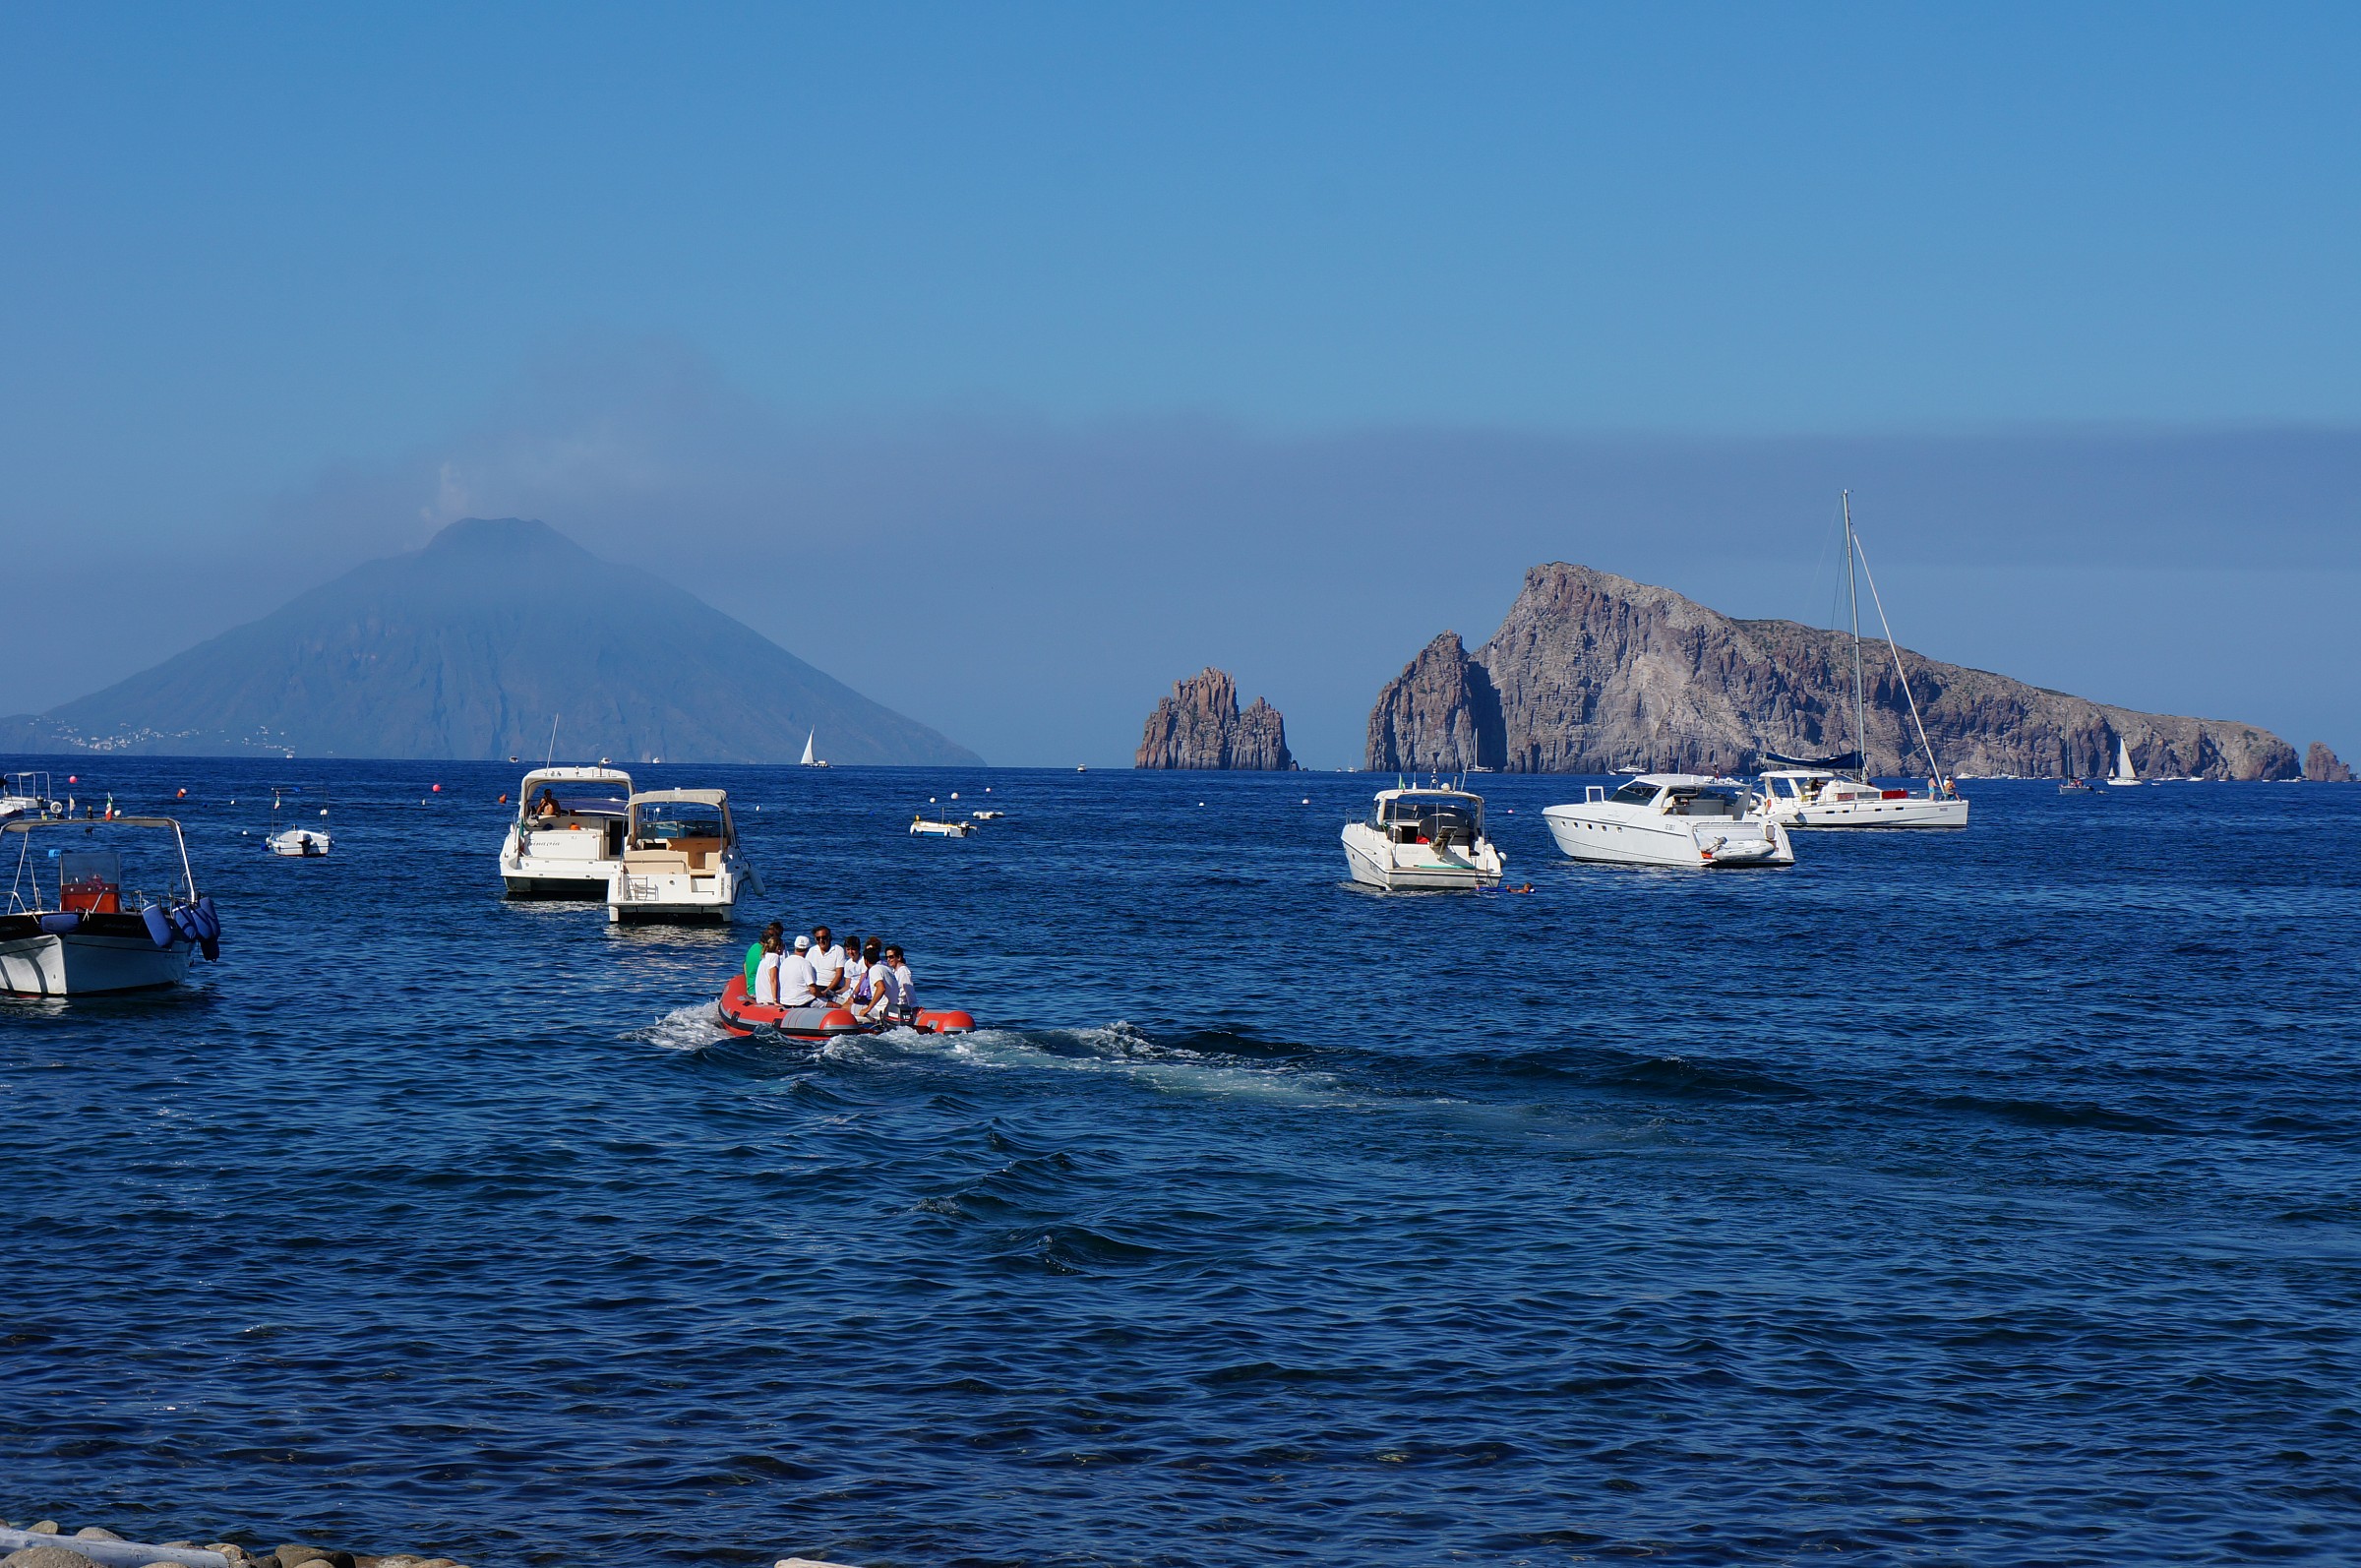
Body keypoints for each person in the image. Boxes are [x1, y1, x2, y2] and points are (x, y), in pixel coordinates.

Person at [778, 934, 820, 1008]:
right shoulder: (805, 963)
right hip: (803, 1002)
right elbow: (813, 989)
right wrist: (822, 995)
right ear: (808, 949)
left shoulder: (785, 962)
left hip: (785, 1001)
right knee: (834, 1005)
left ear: (795, 947)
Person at [746, 922, 783, 994]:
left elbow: (745, 965)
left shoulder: (753, 947)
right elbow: (774, 979)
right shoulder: (768, 956)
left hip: (751, 989)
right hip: (760, 992)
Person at [810, 926, 847, 998]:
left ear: (829, 938)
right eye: (818, 938)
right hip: (815, 986)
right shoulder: (812, 951)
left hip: (832, 988)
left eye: (824, 937)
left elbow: (838, 975)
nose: (821, 940)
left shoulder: (838, 950)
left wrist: (826, 991)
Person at [887, 944, 916, 1020]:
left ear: (899, 957)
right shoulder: (893, 971)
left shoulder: (903, 971)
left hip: (902, 1007)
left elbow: (909, 990)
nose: (888, 959)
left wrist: (913, 1008)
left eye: (891, 957)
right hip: (894, 1006)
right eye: (887, 957)